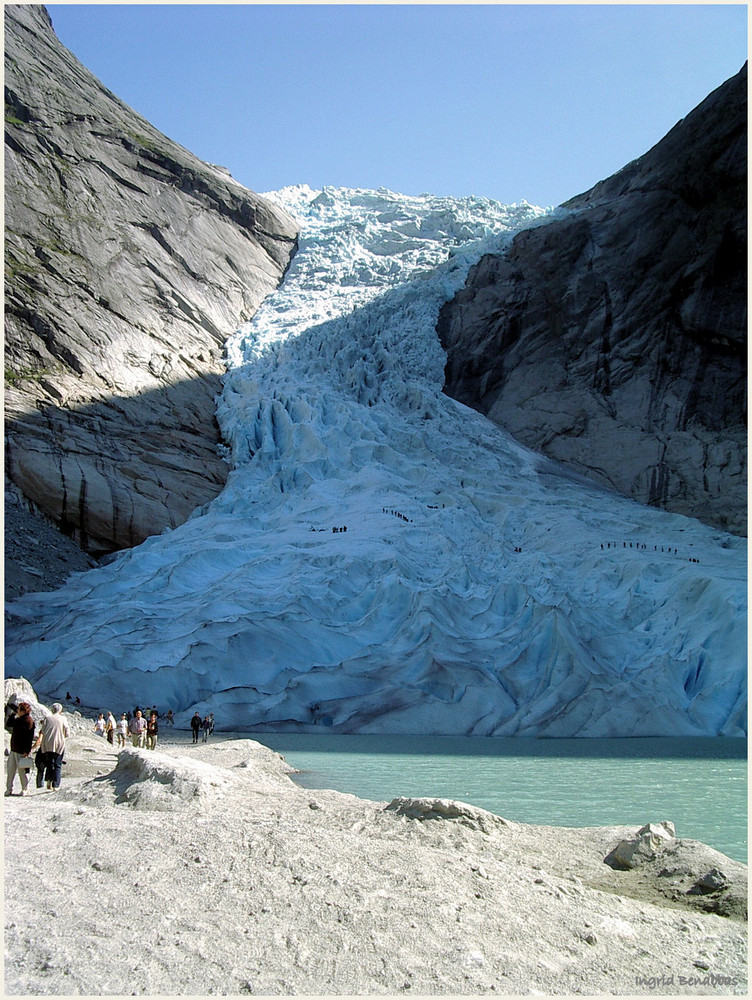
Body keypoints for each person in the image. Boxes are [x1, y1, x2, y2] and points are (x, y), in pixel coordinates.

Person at [33, 703, 69, 791]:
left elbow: (43, 731)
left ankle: (48, 781)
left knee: (49, 763)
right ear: (60, 710)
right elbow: (67, 733)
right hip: (59, 744)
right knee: (57, 764)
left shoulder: (47, 718)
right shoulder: (63, 719)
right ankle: (55, 785)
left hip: (48, 744)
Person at [5, 701, 35, 796]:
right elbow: (9, 724)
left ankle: (25, 788)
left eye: (19, 709)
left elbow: (29, 737)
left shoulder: (28, 721)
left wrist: (27, 751)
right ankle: (9, 789)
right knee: (10, 770)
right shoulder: (19, 719)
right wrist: (13, 713)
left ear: (23, 711)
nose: (17, 711)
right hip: (14, 749)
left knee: (22, 771)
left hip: (21, 751)